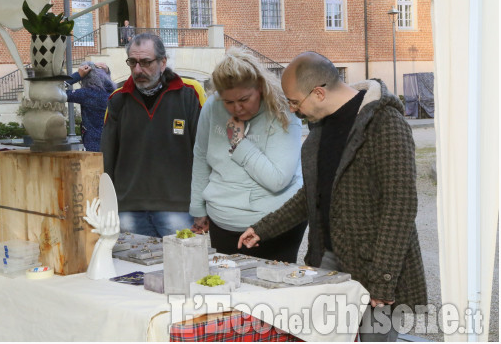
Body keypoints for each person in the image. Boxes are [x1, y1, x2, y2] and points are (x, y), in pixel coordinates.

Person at [238, 52, 427, 342]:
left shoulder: (385, 122)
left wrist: (383, 280)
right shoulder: (320, 127)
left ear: (319, 93)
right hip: (327, 259)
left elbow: (400, 206)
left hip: (375, 267)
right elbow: (311, 195)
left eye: (295, 102)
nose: (293, 109)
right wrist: (263, 228)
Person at [189, 46, 306, 262]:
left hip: (274, 224)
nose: (236, 109)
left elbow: (277, 180)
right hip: (222, 222)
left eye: (244, 99)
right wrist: (198, 207)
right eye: (228, 102)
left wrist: (239, 143)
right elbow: (201, 156)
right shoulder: (212, 107)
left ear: (260, 87)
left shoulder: (282, 110)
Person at [101, 33, 206, 237]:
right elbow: (106, 158)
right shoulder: (117, 100)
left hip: (179, 209)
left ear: (163, 62)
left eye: (146, 62)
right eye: (133, 62)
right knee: (131, 268)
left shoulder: (190, 93)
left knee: (181, 267)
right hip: (128, 209)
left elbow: (205, 153)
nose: (138, 69)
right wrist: (106, 206)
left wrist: (203, 206)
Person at [65, 61, 116, 152]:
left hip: (94, 147)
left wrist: (77, 75)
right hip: (113, 143)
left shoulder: (86, 94)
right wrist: (106, 72)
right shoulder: (111, 92)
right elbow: (107, 82)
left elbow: (56, 92)